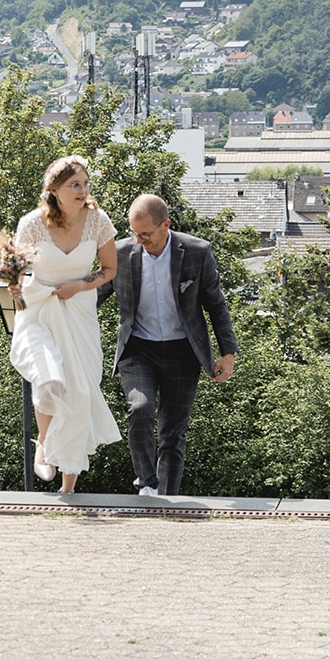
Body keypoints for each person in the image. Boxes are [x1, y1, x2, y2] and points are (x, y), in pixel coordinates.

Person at [98, 194, 236, 496]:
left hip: (183, 353)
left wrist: (228, 353)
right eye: (135, 233)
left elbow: (216, 304)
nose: (140, 240)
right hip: (138, 350)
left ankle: (167, 501)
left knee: (172, 434)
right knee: (140, 409)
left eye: (145, 234)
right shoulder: (119, 254)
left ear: (166, 226)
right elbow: (90, 296)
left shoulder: (197, 252)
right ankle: (147, 485)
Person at [7, 156, 121, 493]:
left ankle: (68, 487)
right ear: (53, 190)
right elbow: (16, 270)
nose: (83, 190)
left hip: (80, 314)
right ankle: (43, 442)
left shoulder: (98, 221)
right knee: (50, 381)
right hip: (39, 312)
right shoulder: (31, 224)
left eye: (86, 183)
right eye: (75, 184)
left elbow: (109, 269)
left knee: (81, 392)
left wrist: (80, 286)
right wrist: (15, 285)